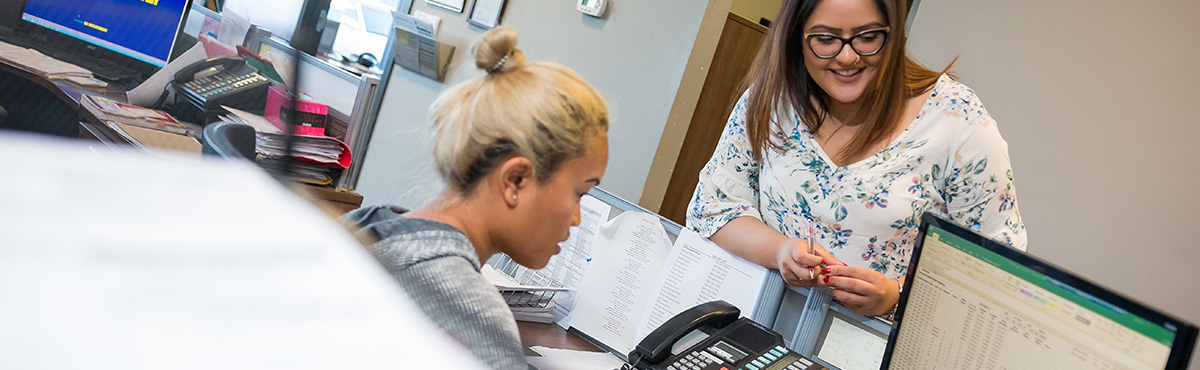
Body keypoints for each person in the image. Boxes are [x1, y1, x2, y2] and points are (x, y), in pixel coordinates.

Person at [686, 0, 1026, 318]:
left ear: (893, 34)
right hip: (761, 320)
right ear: (796, 36)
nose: (847, 57)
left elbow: (995, 270)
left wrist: (897, 295)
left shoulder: (956, 119)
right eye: (825, 39)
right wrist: (779, 251)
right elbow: (714, 207)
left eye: (867, 37)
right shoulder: (773, 98)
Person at [342, 27, 609, 370]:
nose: (577, 218)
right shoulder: (472, 315)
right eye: (579, 193)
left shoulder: (367, 223)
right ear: (515, 179)